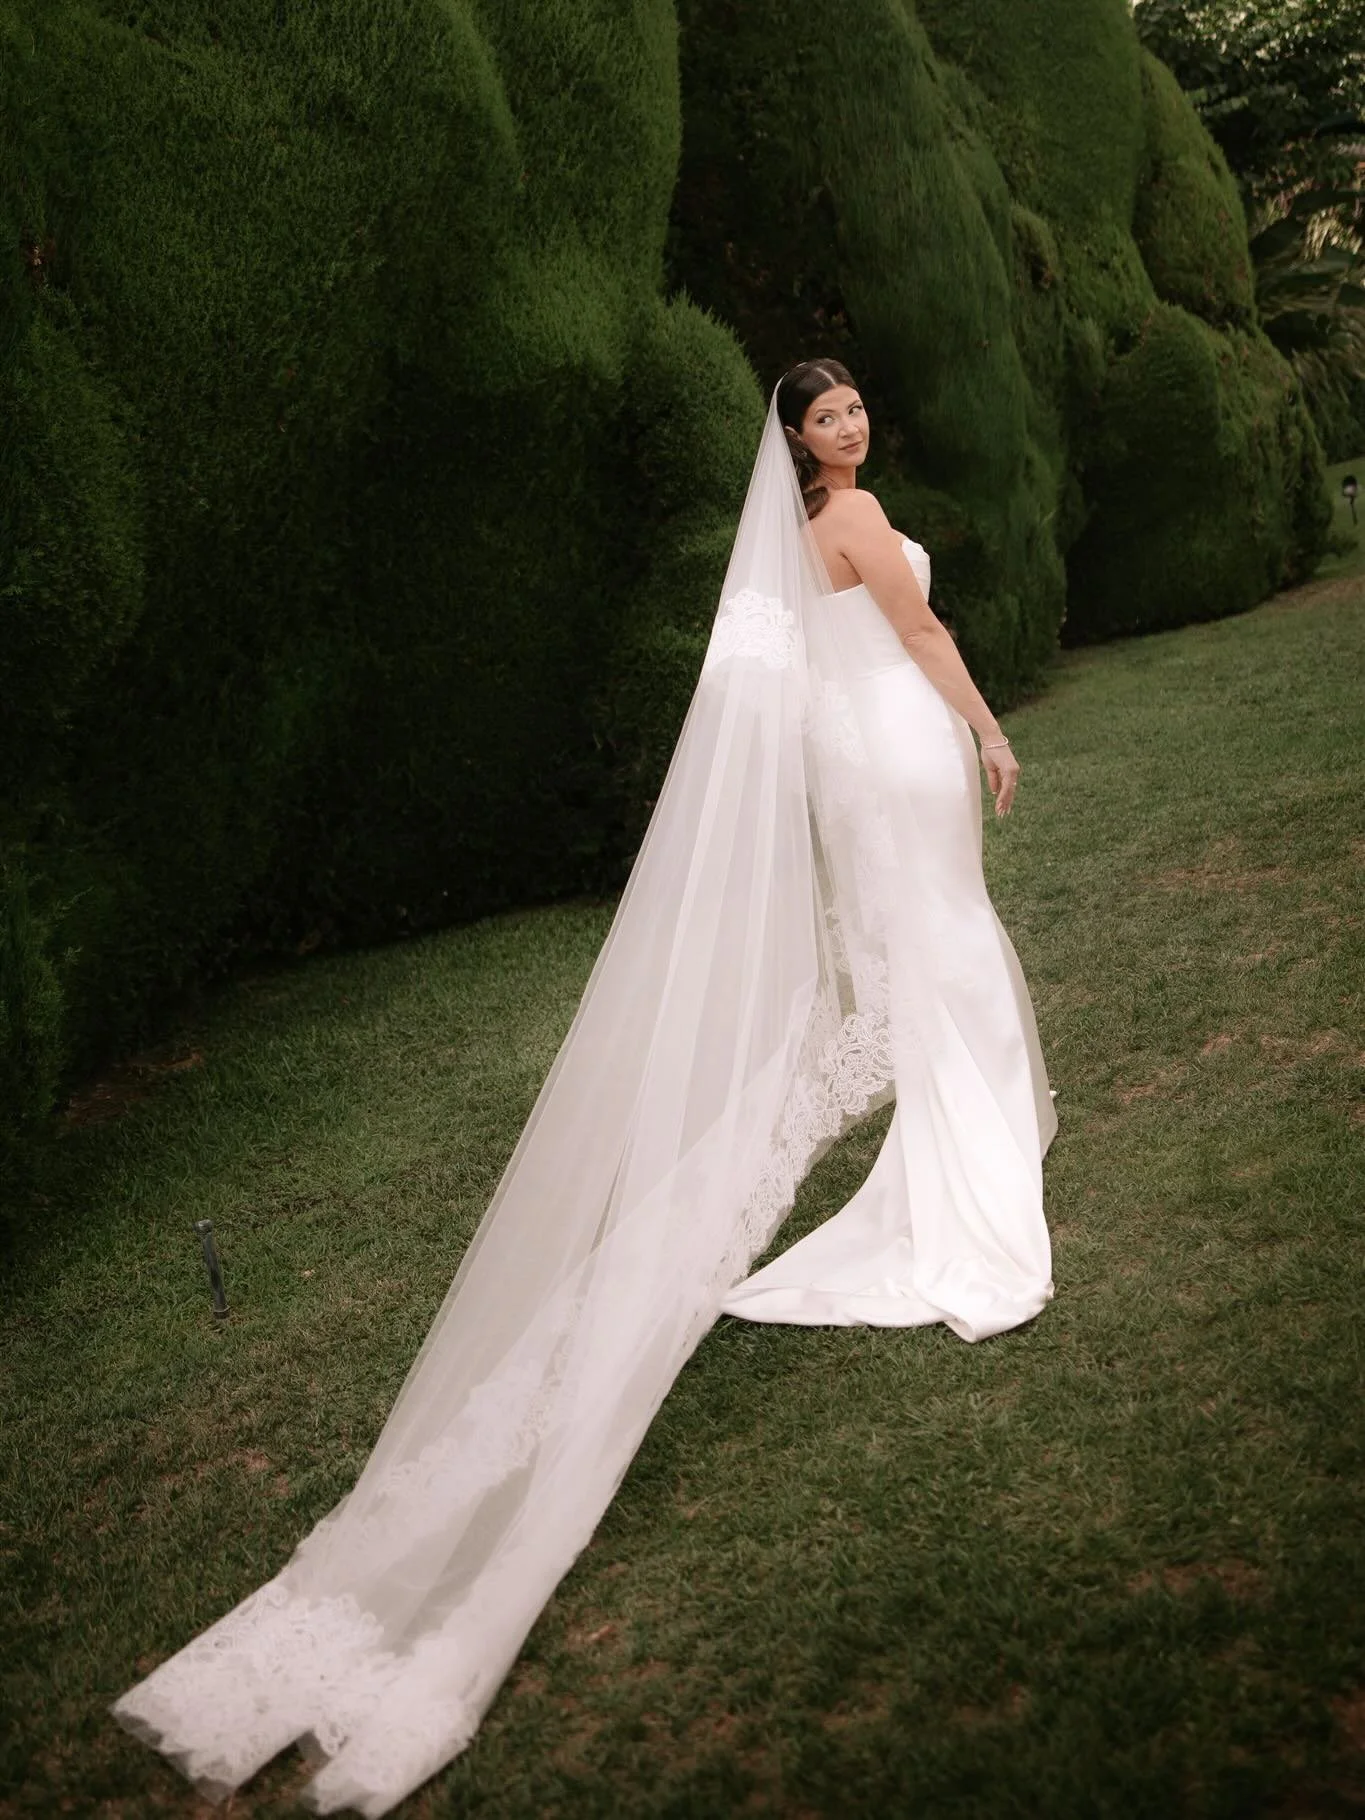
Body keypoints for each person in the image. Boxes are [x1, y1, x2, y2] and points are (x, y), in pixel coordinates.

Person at [111, 360, 1057, 1818]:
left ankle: (950, 1177)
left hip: (856, 765)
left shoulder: (793, 545)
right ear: (798, 446)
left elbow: (795, 674)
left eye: (855, 405)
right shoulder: (852, 523)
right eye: (825, 418)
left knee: (933, 969)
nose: (850, 426)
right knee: (948, 964)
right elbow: (921, 628)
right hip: (899, 754)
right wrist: (987, 729)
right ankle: (967, 1203)